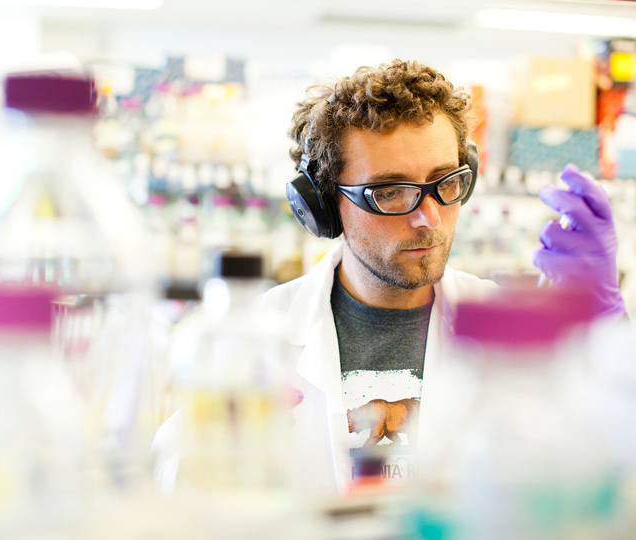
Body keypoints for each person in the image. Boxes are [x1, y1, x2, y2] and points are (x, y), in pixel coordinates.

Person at [258, 58, 626, 494]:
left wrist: (609, 336)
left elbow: (606, 468)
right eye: (391, 191)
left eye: (445, 181)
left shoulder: (502, 327)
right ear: (322, 205)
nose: (428, 217)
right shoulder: (259, 333)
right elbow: (176, 481)